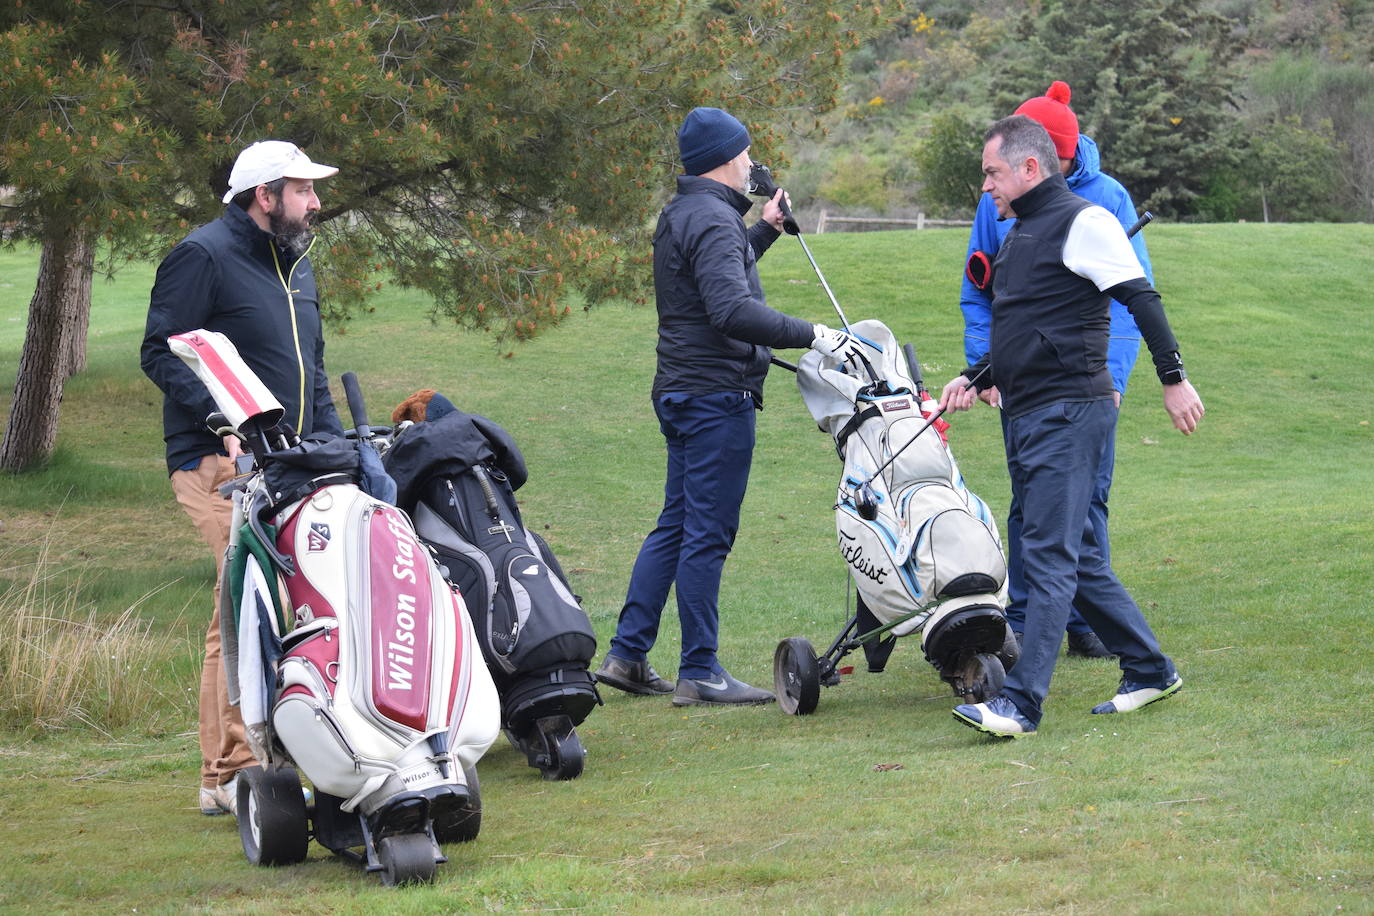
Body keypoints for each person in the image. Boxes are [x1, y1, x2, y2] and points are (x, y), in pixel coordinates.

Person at [939, 115, 1203, 738]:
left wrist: (1173, 378)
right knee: (1078, 556)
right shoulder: (1020, 233)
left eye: (992, 172)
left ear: (1030, 169)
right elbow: (1028, 329)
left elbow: (1141, 298)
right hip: (1029, 414)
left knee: (1050, 557)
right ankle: (1150, 669)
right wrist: (973, 378)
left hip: (1069, 414)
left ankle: (1020, 705)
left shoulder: (1086, 221)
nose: (986, 186)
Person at [594, 107, 863, 707]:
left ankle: (628, 655)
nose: (751, 163)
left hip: (683, 389)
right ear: (726, 158)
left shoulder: (686, 212)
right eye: (744, 153)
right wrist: (817, 334)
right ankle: (701, 669)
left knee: (677, 522)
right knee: (706, 534)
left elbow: (720, 274)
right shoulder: (712, 221)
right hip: (715, 396)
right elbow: (731, 310)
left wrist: (764, 227)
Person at [140, 140, 344, 813]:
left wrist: (340, 452)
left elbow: (311, 371)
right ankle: (227, 775)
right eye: (303, 190)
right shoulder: (202, 255)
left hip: (292, 462)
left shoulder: (295, 266)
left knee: (298, 600)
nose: (315, 202)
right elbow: (160, 351)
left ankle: (288, 748)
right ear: (266, 195)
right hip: (217, 463)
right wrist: (220, 421)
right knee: (240, 602)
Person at [960, 81, 1154, 661]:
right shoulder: (998, 198)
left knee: (1087, 502)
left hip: (1081, 386)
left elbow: (1129, 298)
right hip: (1020, 382)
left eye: (1061, 163)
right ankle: (1022, 617)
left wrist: (1113, 377)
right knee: (1029, 501)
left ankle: (1087, 624)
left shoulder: (1105, 201)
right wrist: (982, 371)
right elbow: (984, 291)